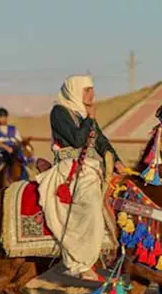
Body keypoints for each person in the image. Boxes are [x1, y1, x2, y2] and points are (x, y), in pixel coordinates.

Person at [36, 75, 124, 281]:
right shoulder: (59, 112)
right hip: (70, 168)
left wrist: (117, 161)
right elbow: (76, 140)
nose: (92, 94)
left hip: (92, 166)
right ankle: (81, 262)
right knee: (90, 201)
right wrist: (90, 119)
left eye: (92, 89)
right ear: (74, 90)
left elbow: (101, 142)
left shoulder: (84, 113)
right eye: (86, 90)